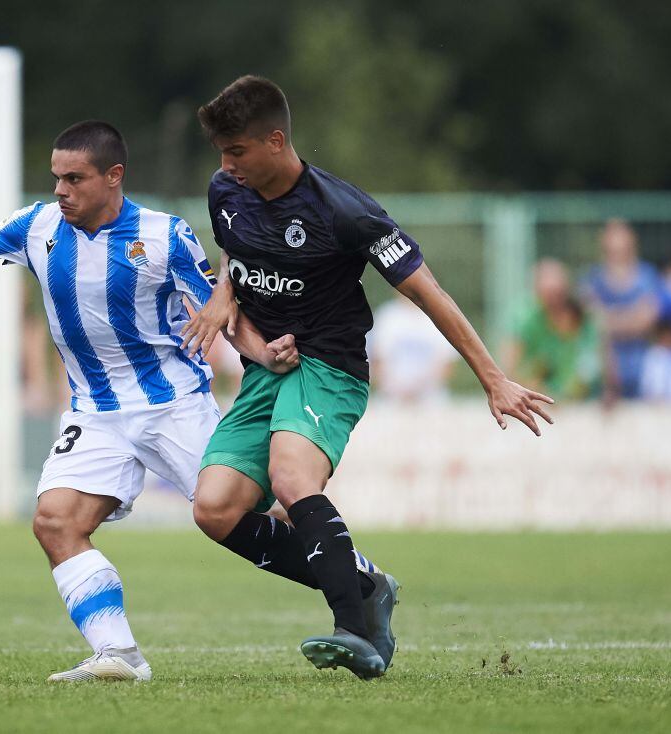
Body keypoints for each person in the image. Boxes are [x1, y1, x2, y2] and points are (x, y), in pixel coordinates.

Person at [0, 121, 305, 682]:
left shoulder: (166, 235)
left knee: (241, 516)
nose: (60, 190)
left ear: (113, 177)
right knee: (55, 520)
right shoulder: (37, 225)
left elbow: (222, 314)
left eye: (74, 178)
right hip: (94, 412)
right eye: (55, 178)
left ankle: (356, 580)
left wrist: (263, 355)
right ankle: (118, 654)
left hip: (173, 406)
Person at [182, 76, 553, 680]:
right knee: (215, 509)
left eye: (237, 151)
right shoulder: (227, 188)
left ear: (276, 141)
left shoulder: (344, 212)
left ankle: (357, 630)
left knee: (290, 475)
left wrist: (492, 377)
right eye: (222, 154)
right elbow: (237, 250)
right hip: (264, 372)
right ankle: (365, 584)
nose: (226, 166)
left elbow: (429, 293)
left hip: (329, 366)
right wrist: (225, 292)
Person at [580, 219, 662, 399]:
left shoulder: (647, 275)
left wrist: (611, 318)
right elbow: (592, 321)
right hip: (603, 369)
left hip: (642, 364)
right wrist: (631, 318)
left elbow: (647, 320)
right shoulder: (593, 278)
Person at [504, 259, 602, 401]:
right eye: (548, 294)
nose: (554, 301)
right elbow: (510, 368)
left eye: (558, 293)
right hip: (534, 396)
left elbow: (593, 365)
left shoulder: (584, 319)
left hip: (582, 400)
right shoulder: (524, 319)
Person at [368, 292, 459, 403]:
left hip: (430, 399)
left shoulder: (439, 315)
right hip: (391, 397)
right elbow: (375, 361)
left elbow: (447, 364)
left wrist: (421, 387)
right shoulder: (386, 316)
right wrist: (394, 386)